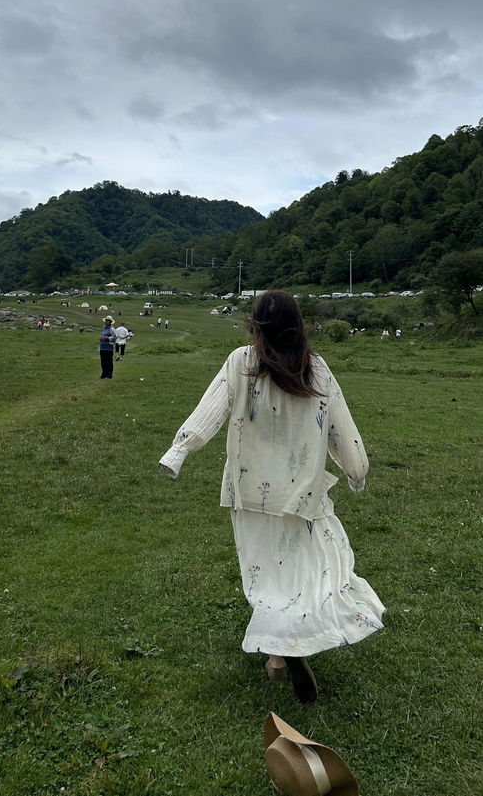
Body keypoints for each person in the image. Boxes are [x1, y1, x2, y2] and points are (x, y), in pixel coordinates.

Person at [159, 289, 384, 704]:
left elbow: (208, 413)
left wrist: (178, 452)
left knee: (265, 575)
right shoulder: (315, 369)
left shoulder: (241, 363)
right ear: (298, 325)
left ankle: (279, 656)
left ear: (254, 325)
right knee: (314, 570)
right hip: (303, 495)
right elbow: (340, 428)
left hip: (248, 493)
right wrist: (357, 471)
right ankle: (289, 647)